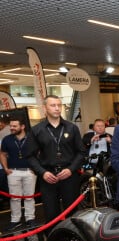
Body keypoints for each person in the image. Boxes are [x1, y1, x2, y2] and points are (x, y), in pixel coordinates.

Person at [26, 95, 85, 230]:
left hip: (69, 176)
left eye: (59, 105)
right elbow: (30, 156)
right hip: (48, 177)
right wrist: (43, 173)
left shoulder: (71, 128)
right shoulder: (37, 130)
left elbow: (81, 152)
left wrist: (71, 169)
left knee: (73, 213)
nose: (57, 108)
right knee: (51, 215)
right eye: (53, 105)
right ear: (44, 108)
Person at [0, 117, 38, 231]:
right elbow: (2, 154)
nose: (11, 128)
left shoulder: (32, 138)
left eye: (14, 126)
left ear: (22, 126)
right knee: (14, 198)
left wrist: (36, 168)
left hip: (30, 172)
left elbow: (39, 153)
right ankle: (15, 220)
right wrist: (6, 168)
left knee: (29, 197)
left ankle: (30, 219)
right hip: (13, 172)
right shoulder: (6, 139)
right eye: (11, 126)